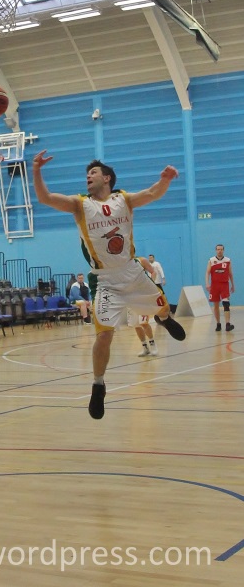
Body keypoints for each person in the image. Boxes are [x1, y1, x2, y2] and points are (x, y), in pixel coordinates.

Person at [32, 153, 186, 420]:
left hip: (132, 273)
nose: (88, 176)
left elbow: (152, 193)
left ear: (107, 178)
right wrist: (36, 170)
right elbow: (45, 198)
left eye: (93, 172)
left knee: (163, 308)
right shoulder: (80, 205)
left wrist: (165, 179)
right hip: (104, 279)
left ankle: (164, 318)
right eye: (87, 174)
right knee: (104, 335)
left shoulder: (123, 200)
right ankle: (98, 385)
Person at [129, 258, 158, 357]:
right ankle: (145, 347)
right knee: (136, 325)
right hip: (130, 297)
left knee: (143, 322)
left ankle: (153, 345)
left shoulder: (140, 260)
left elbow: (153, 272)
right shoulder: (122, 264)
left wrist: (151, 285)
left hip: (142, 296)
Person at [206, 244, 235, 332]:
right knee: (216, 306)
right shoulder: (211, 260)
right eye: (218, 249)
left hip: (224, 285)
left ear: (223, 250)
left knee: (226, 304)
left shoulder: (227, 260)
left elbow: (230, 273)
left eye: (221, 249)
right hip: (215, 285)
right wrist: (207, 283)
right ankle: (218, 324)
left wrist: (233, 284)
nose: (220, 251)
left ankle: (227, 324)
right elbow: (207, 273)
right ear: (216, 250)